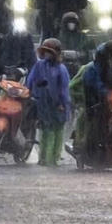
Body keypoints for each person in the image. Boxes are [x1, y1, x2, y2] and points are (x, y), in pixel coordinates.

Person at [73, 41, 112, 158]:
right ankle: (84, 147)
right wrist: (107, 94)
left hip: (110, 103)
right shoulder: (91, 70)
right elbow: (96, 85)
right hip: (93, 103)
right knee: (92, 125)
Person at [27, 38, 73, 167]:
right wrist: (28, 93)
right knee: (46, 130)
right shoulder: (39, 65)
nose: (47, 54)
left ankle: (52, 158)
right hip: (43, 104)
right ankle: (45, 158)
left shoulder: (61, 69)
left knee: (56, 131)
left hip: (57, 105)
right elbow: (30, 81)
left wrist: (63, 104)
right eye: (45, 51)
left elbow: (64, 89)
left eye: (49, 52)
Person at [0, 0, 36, 74]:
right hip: (0, 44)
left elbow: (15, 28)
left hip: (12, 41)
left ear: (1, 1)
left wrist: (7, 36)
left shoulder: (11, 13)